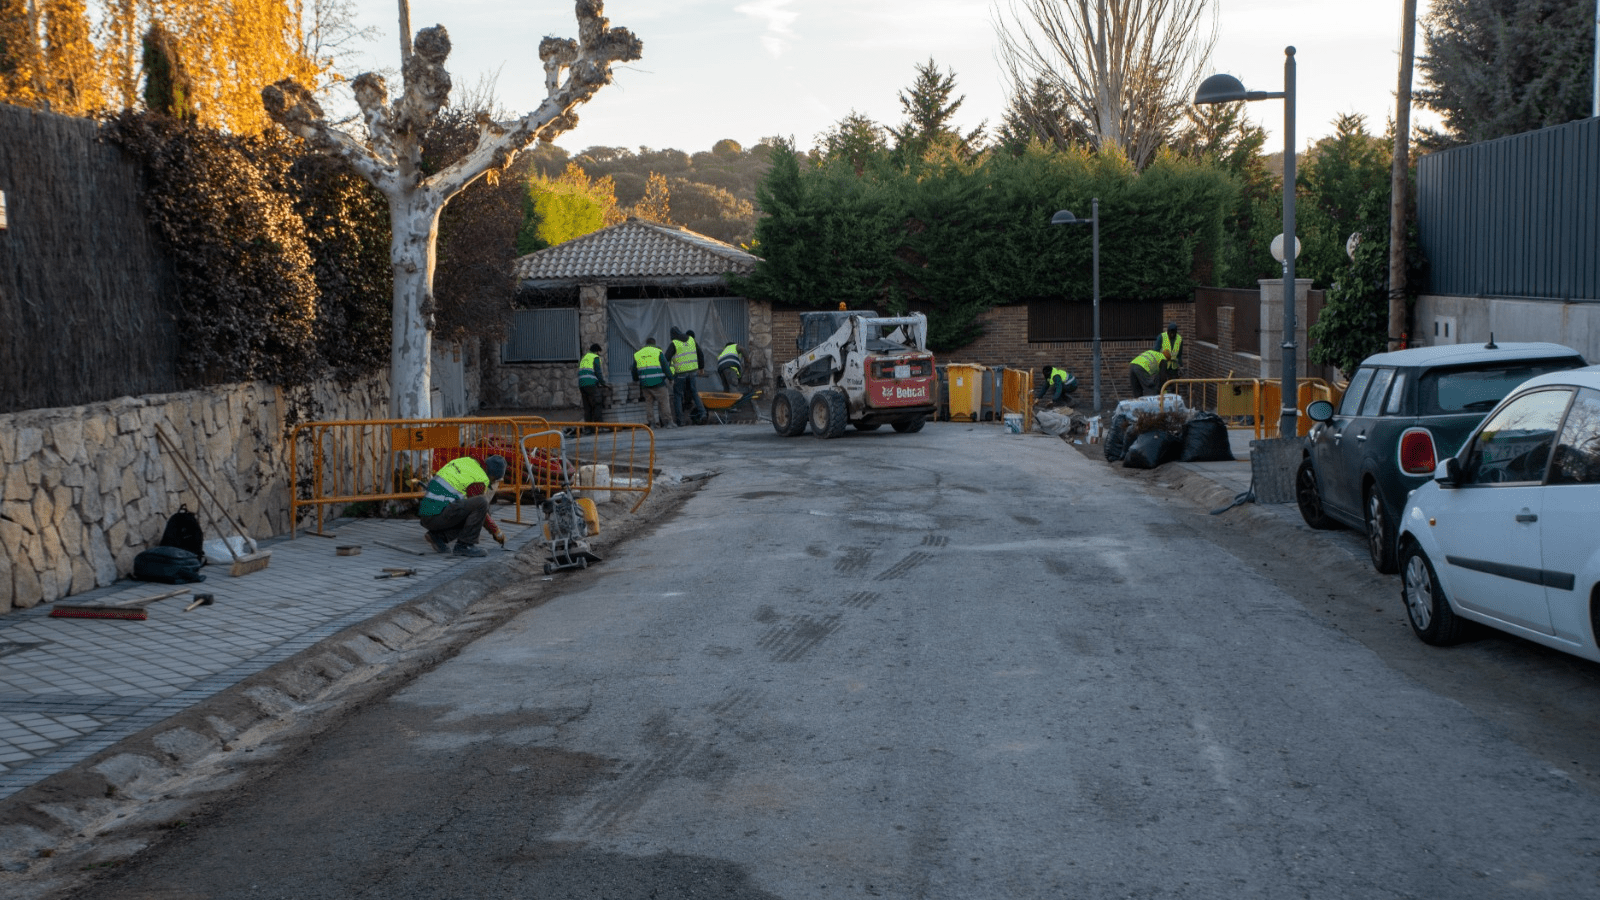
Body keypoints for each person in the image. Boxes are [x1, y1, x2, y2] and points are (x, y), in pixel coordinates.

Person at [419, 454, 506, 558]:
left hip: (429, 514)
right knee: (482, 503)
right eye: (495, 480)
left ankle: (438, 537)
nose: (493, 483)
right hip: (436, 515)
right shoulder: (479, 478)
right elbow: (479, 508)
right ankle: (465, 545)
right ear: (493, 475)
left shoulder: (467, 462)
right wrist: (496, 531)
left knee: (471, 511)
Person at [632, 337, 674, 428]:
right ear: (654, 344)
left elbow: (634, 369)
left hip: (645, 384)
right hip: (658, 382)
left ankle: (652, 423)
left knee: (649, 403)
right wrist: (670, 378)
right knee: (664, 402)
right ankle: (668, 422)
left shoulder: (638, 354)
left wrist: (635, 379)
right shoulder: (658, 352)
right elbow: (665, 366)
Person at [669, 326, 706, 425]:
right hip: (693, 372)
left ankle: (680, 421)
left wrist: (668, 374)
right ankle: (703, 413)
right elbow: (700, 354)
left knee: (678, 395)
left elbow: (666, 358)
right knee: (694, 392)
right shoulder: (691, 340)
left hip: (680, 373)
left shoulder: (674, 343)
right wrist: (701, 368)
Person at [577, 343, 607, 427]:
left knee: (587, 407)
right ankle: (598, 425)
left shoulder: (583, 357)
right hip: (590, 384)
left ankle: (588, 428)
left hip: (581, 385)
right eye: (599, 352)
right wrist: (603, 383)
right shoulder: (595, 358)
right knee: (597, 402)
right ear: (597, 351)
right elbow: (598, 372)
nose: (599, 354)